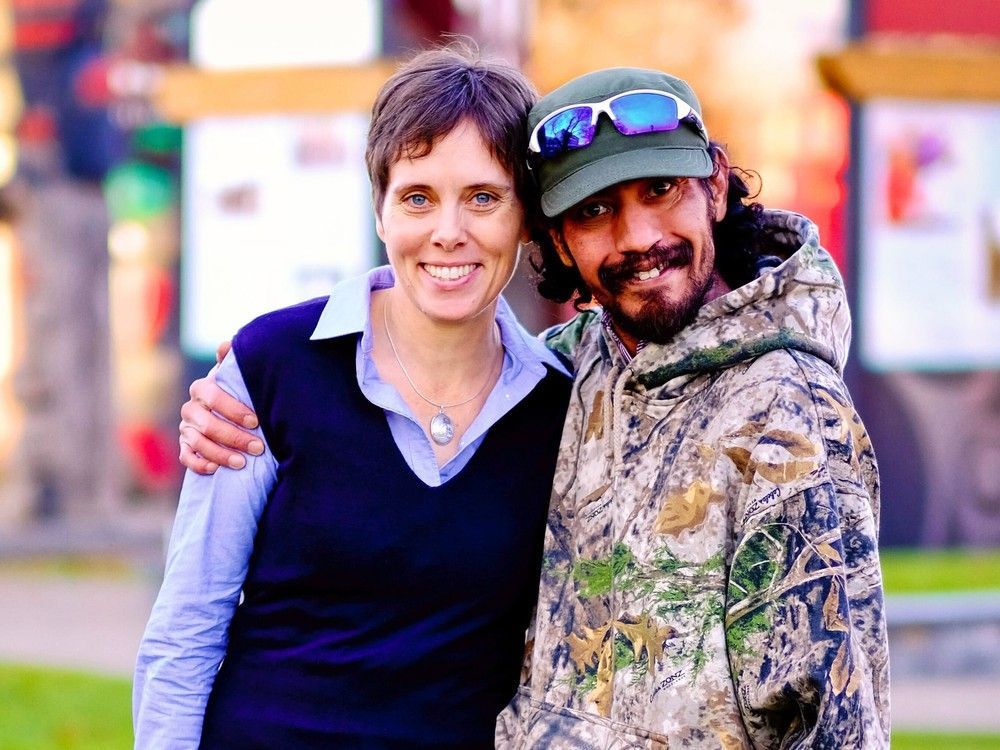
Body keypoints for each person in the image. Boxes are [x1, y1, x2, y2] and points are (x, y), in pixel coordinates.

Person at [179, 67, 890, 748]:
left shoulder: (792, 414)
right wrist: (248, 383)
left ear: (715, 182)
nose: (639, 238)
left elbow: (837, 720)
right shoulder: (574, 370)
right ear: (554, 238)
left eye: (662, 190)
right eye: (595, 212)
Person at [133, 43, 572, 749]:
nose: (448, 232)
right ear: (380, 209)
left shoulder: (562, 409)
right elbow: (186, 629)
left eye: (483, 198)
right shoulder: (272, 366)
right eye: (418, 197)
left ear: (525, 215)